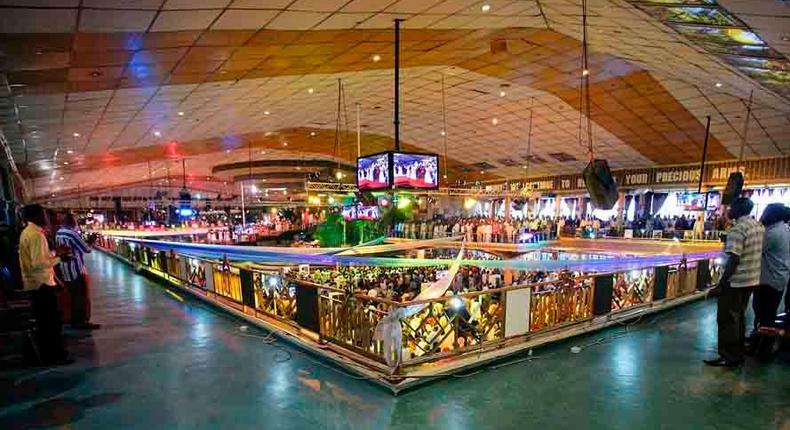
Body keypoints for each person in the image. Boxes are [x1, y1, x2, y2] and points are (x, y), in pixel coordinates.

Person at [704, 198, 764, 367]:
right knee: (739, 317)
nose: (728, 210)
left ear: (738, 209)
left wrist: (722, 284)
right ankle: (737, 353)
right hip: (751, 279)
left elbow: (734, 259)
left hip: (736, 281)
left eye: (731, 207)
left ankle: (728, 356)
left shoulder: (738, 230)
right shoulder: (757, 226)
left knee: (727, 319)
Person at [19, 204, 73, 365]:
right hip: (41, 283)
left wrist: (55, 253)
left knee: (46, 322)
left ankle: (51, 354)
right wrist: (60, 259)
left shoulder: (28, 233)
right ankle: (54, 355)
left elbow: (40, 257)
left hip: (36, 283)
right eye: (44, 214)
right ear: (36, 216)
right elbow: (38, 263)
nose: (47, 218)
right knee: (50, 322)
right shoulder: (36, 235)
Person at [747, 204, 789, 357]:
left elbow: (756, 250)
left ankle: (763, 348)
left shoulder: (772, 234)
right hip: (778, 278)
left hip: (769, 279)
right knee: (768, 314)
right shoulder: (784, 229)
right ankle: (761, 345)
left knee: (764, 315)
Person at [56, 213, 100, 330]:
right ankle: (80, 322)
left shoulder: (59, 232)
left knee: (73, 296)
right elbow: (86, 249)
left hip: (65, 269)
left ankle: (74, 320)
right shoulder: (72, 233)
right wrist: (92, 240)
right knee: (80, 297)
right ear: (72, 222)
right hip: (75, 269)